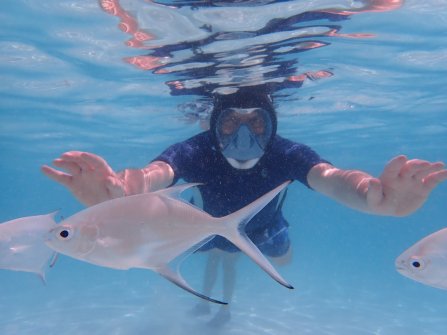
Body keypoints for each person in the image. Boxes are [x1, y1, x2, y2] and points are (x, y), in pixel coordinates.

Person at [41, 88, 447, 325]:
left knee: (272, 258)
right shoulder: (194, 150)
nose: (243, 136)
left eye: (256, 124)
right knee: (220, 246)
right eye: (230, 124)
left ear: (272, 127)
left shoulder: (287, 153)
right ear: (214, 126)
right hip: (199, 225)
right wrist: (121, 191)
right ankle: (217, 289)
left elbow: (331, 177)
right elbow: (154, 175)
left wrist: (371, 198)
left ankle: (223, 278)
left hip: (267, 230)